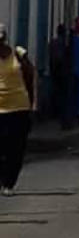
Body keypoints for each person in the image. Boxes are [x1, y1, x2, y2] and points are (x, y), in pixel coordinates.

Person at [0, 25, 35, 195]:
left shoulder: (18, 54)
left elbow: (30, 76)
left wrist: (32, 104)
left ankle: (9, 183)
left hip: (19, 107)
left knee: (16, 149)